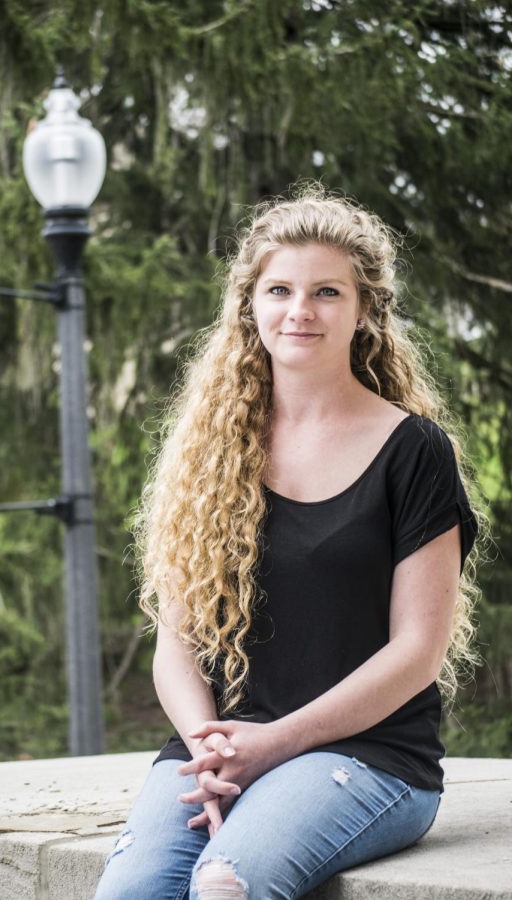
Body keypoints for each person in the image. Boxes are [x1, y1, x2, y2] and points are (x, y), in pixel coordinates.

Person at [93, 183, 486, 900]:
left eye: (327, 292)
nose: (300, 311)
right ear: (250, 304)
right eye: (279, 289)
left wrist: (273, 744)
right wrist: (211, 746)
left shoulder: (414, 451)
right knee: (129, 893)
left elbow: (417, 653)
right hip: (221, 745)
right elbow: (176, 645)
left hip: (370, 756)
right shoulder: (211, 449)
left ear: (365, 310)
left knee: (226, 882)